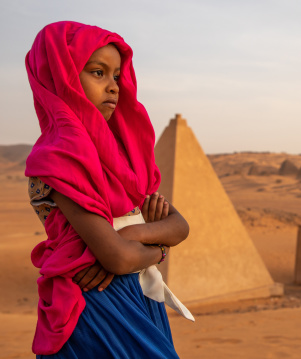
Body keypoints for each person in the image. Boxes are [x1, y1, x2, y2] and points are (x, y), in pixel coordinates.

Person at [25, 21, 194, 358]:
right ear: (61, 75)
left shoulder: (124, 159)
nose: (114, 87)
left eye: (117, 75)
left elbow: (180, 226)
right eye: (98, 73)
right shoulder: (57, 159)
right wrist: (157, 249)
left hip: (137, 297)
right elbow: (116, 257)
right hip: (98, 306)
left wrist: (130, 238)